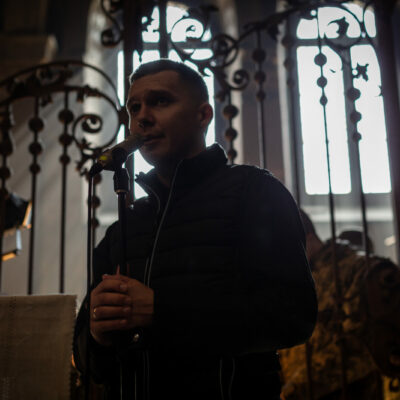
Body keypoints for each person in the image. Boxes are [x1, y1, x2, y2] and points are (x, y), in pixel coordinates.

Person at [73, 59, 317, 400]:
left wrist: (160, 309)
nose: (141, 117)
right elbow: (90, 366)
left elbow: (293, 317)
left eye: (160, 101)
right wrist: (97, 336)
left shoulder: (253, 192)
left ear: (203, 115)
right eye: (134, 107)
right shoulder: (124, 228)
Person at [280, 210, 400, 400]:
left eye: (285, 249)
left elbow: (365, 349)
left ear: (307, 239)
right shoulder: (302, 281)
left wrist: (296, 388)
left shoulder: (358, 271)